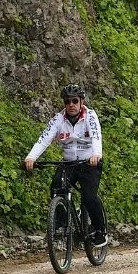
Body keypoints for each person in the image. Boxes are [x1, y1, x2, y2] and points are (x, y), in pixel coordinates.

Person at [24, 84, 108, 248]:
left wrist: (96, 154)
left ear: (82, 102)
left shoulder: (90, 116)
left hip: (88, 162)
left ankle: (100, 230)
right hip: (69, 163)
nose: (71, 105)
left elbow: (96, 136)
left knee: (89, 197)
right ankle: (61, 222)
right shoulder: (58, 119)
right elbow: (44, 139)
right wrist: (31, 157)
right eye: (67, 101)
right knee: (56, 186)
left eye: (74, 101)